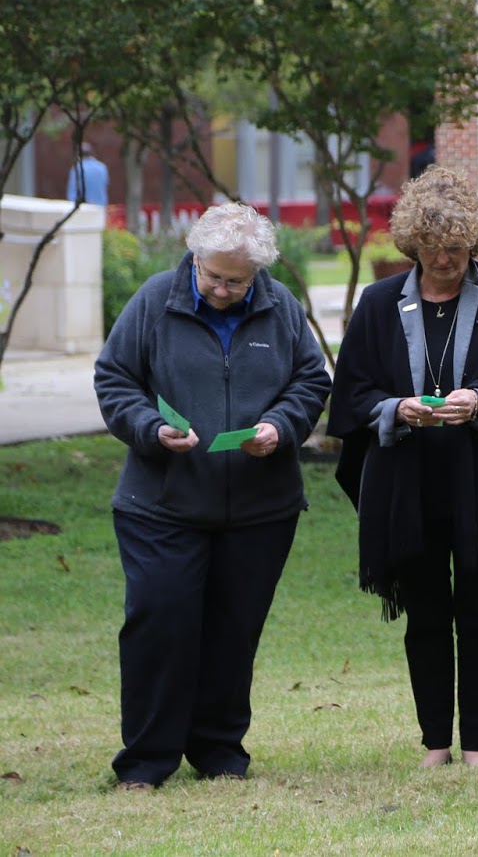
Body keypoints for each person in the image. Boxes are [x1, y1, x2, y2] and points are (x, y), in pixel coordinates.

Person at [93, 202, 331, 790]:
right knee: (160, 622)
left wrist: (280, 426)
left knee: (233, 630)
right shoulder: (153, 300)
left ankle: (220, 752)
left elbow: (311, 379)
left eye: (237, 281)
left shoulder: (281, 310)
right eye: (215, 277)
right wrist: (152, 429)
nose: (224, 291)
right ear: (195, 257)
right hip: (161, 502)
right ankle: (145, 762)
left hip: (259, 507)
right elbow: (115, 378)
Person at [328, 166, 478, 769]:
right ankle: (435, 743)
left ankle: (476, 741)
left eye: (456, 249)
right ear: (412, 246)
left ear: (474, 244)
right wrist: (394, 408)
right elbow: (350, 393)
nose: (446, 260)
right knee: (425, 615)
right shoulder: (379, 303)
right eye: (433, 250)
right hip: (409, 484)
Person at [66, 142, 110, 206]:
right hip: (100, 206)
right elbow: (105, 184)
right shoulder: (102, 167)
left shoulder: (77, 169)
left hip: (84, 209)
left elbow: (72, 192)